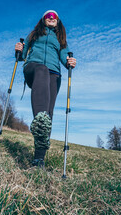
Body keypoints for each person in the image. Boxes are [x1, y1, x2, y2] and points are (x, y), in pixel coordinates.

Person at [15, 10, 76, 167]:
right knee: (41, 69)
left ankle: (39, 159)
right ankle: (40, 117)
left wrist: (70, 62)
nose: (51, 18)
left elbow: (64, 58)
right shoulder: (34, 34)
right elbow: (21, 56)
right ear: (43, 20)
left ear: (57, 21)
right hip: (33, 68)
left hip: (54, 75)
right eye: (48, 16)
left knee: (48, 116)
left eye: (54, 17)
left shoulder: (60, 40)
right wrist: (19, 50)